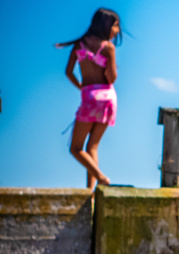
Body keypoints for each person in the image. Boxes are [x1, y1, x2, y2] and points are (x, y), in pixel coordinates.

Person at [58, 8, 121, 189]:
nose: (117, 31)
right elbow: (111, 78)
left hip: (90, 98)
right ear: (106, 26)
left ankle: (99, 179)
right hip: (108, 98)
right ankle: (91, 192)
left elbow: (68, 72)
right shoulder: (108, 47)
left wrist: (82, 87)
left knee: (76, 148)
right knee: (92, 146)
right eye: (116, 26)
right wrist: (111, 65)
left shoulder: (79, 45)